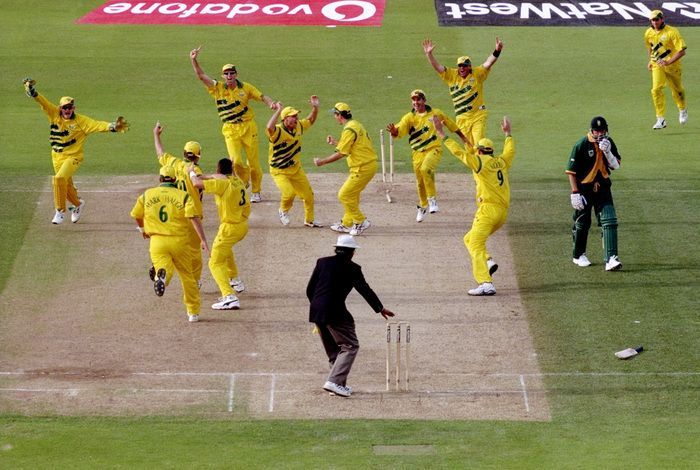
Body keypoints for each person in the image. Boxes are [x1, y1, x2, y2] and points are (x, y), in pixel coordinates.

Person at [23, 77, 129, 224]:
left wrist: (113, 126)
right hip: (56, 157)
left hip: (73, 157)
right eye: (65, 108)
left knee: (58, 179)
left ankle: (60, 211)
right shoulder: (54, 114)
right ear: (60, 108)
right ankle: (78, 205)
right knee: (66, 187)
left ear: (74, 108)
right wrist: (33, 92)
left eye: (70, 107)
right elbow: (43, 102)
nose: (67, 110)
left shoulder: (81, 122)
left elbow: (97, 125)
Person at [433, 115, 515, 296]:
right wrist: (508, 134)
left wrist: (442, 134)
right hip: (502, 213)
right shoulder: (501, 161)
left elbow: (459, 153)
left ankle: (486, 283)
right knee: (469, 239)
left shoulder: (479, 162)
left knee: (476, 243)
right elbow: (510, 151)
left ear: (479, 151)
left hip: (487, 211)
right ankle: (488, 262)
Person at [306, 234, 395, 397]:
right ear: (352, 252)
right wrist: (380, 308)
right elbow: (364, 290)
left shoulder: (322, 262)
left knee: (334, 350)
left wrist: (318, 307)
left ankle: (337, 385)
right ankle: (333, 382)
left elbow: (310, 289)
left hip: (317, 311)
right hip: (335, 312)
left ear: (336, 249)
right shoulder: (353, 268)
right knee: (350, 346)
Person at [189, 45, 276, 202]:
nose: (229, 76)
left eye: (231, 73)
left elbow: (262, 96)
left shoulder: (246, 88)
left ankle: (256, 191)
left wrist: (271, 104)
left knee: (254, 163)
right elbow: (201, 76)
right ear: (223, 76)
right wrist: (194, 60)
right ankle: (244, 182)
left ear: (236, 74)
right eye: (226, 73)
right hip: (230, 129)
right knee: (235, 161)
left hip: (248, 127)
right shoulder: (217, 88)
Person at [130, 166, 209, 323]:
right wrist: (203, 239)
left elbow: (136, 214)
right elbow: (194, 218)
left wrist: (142, 230)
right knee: (188, 277)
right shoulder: (184, 196)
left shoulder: (147, 195)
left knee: (163, 267)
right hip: (179, 241)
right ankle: (193, 312)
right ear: (175, 180)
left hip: (157, 241)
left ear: (160, 179)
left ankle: (162, 279)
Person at [387, 89, 464, 222]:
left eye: (418, 99)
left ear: (424, 100)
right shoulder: (409, 118)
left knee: (426, 169)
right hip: (417, 153)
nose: (416, 102)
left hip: (434, 149)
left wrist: (464, 139)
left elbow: (452, 125)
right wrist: (394, 131)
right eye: (414, 100)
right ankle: (422, 206)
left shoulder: (436, 113)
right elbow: (398, 132)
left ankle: (432, 200)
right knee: (420, 182)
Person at [189, 158, 250, 310]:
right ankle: (234, 279)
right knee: (225, 251)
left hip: (229, 228)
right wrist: (203, 175)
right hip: (242, 226)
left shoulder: (222, 184)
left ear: (218, 170)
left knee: (214, 262)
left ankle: (229, 296)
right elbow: (215, 177)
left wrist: (191, 173)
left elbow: (196, 184)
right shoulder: (237, 180)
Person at [565, 116, 622, 272]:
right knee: (583, 222)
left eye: (602, 130)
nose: (599, 134)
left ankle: (611, 258)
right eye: (596, 131)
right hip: (584, 189)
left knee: (609, 220)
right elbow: (571, 171)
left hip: (603, 187)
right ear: (591, 130)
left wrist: (608, 152)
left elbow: (616, 166)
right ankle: (578, 255)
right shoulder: (581, 145)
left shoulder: (609, 143)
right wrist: (574, 192)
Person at [422, 37, 503, 145]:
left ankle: (485, 160)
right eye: (460, 66)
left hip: (478, 115)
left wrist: (497, 50)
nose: (462, 68)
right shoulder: (451, 75)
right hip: (462, 119)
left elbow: (488, 63)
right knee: (469, 148)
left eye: (464, 66)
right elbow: (437, 67)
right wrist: (429, 54)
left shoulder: (477, 74)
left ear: (470, 67)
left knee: (479, 144)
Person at [153, 121, 205, 288]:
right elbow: (199, 183)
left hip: (175, 216)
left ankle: (162, 270)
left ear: (184, 153)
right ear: (198, 156)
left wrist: (156, 135)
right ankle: (195, 281)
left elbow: (160, 153)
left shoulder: (173, 164)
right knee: (195, 253)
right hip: (192, 217)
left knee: (173, 248)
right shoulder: (196, 171)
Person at [314, 102, 377, 236]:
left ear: (340, 115)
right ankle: (347, 223)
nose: (335, 117)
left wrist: (322, 161)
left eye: (335, 114)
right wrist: (337, 143)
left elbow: (342, 153)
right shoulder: (356, 124)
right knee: (352, 195)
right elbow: (353, 146)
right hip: (366, 165)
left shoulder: (349, 130)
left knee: (344, 195)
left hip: (362, 168)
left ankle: (360, 221)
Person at [265, 96, 323, 227]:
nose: (296, 119)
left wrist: (315, 108)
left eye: (296, 116)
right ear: (285, 118)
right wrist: (278, 110)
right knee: (289, 193)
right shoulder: (277, 131)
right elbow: (269, 127)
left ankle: (309, 220)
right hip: (279, 171)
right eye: (293, 116)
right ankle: (283, 211)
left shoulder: (298, 127)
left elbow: (311, 120)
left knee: (308, 196)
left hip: (296, 169)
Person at [645, 10, 688, 129]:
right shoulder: (648, 33)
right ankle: (660, 118)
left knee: (677, 90)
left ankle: (682, 109)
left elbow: (682, 51)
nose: (654, 22)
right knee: (656, 89)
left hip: (673, 66)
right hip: (657, 65)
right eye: (652, 20)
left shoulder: (672, 32)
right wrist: (651, 60)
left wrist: (668, 61)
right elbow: (650, 47)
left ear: (662, 19)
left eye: (656, 20)